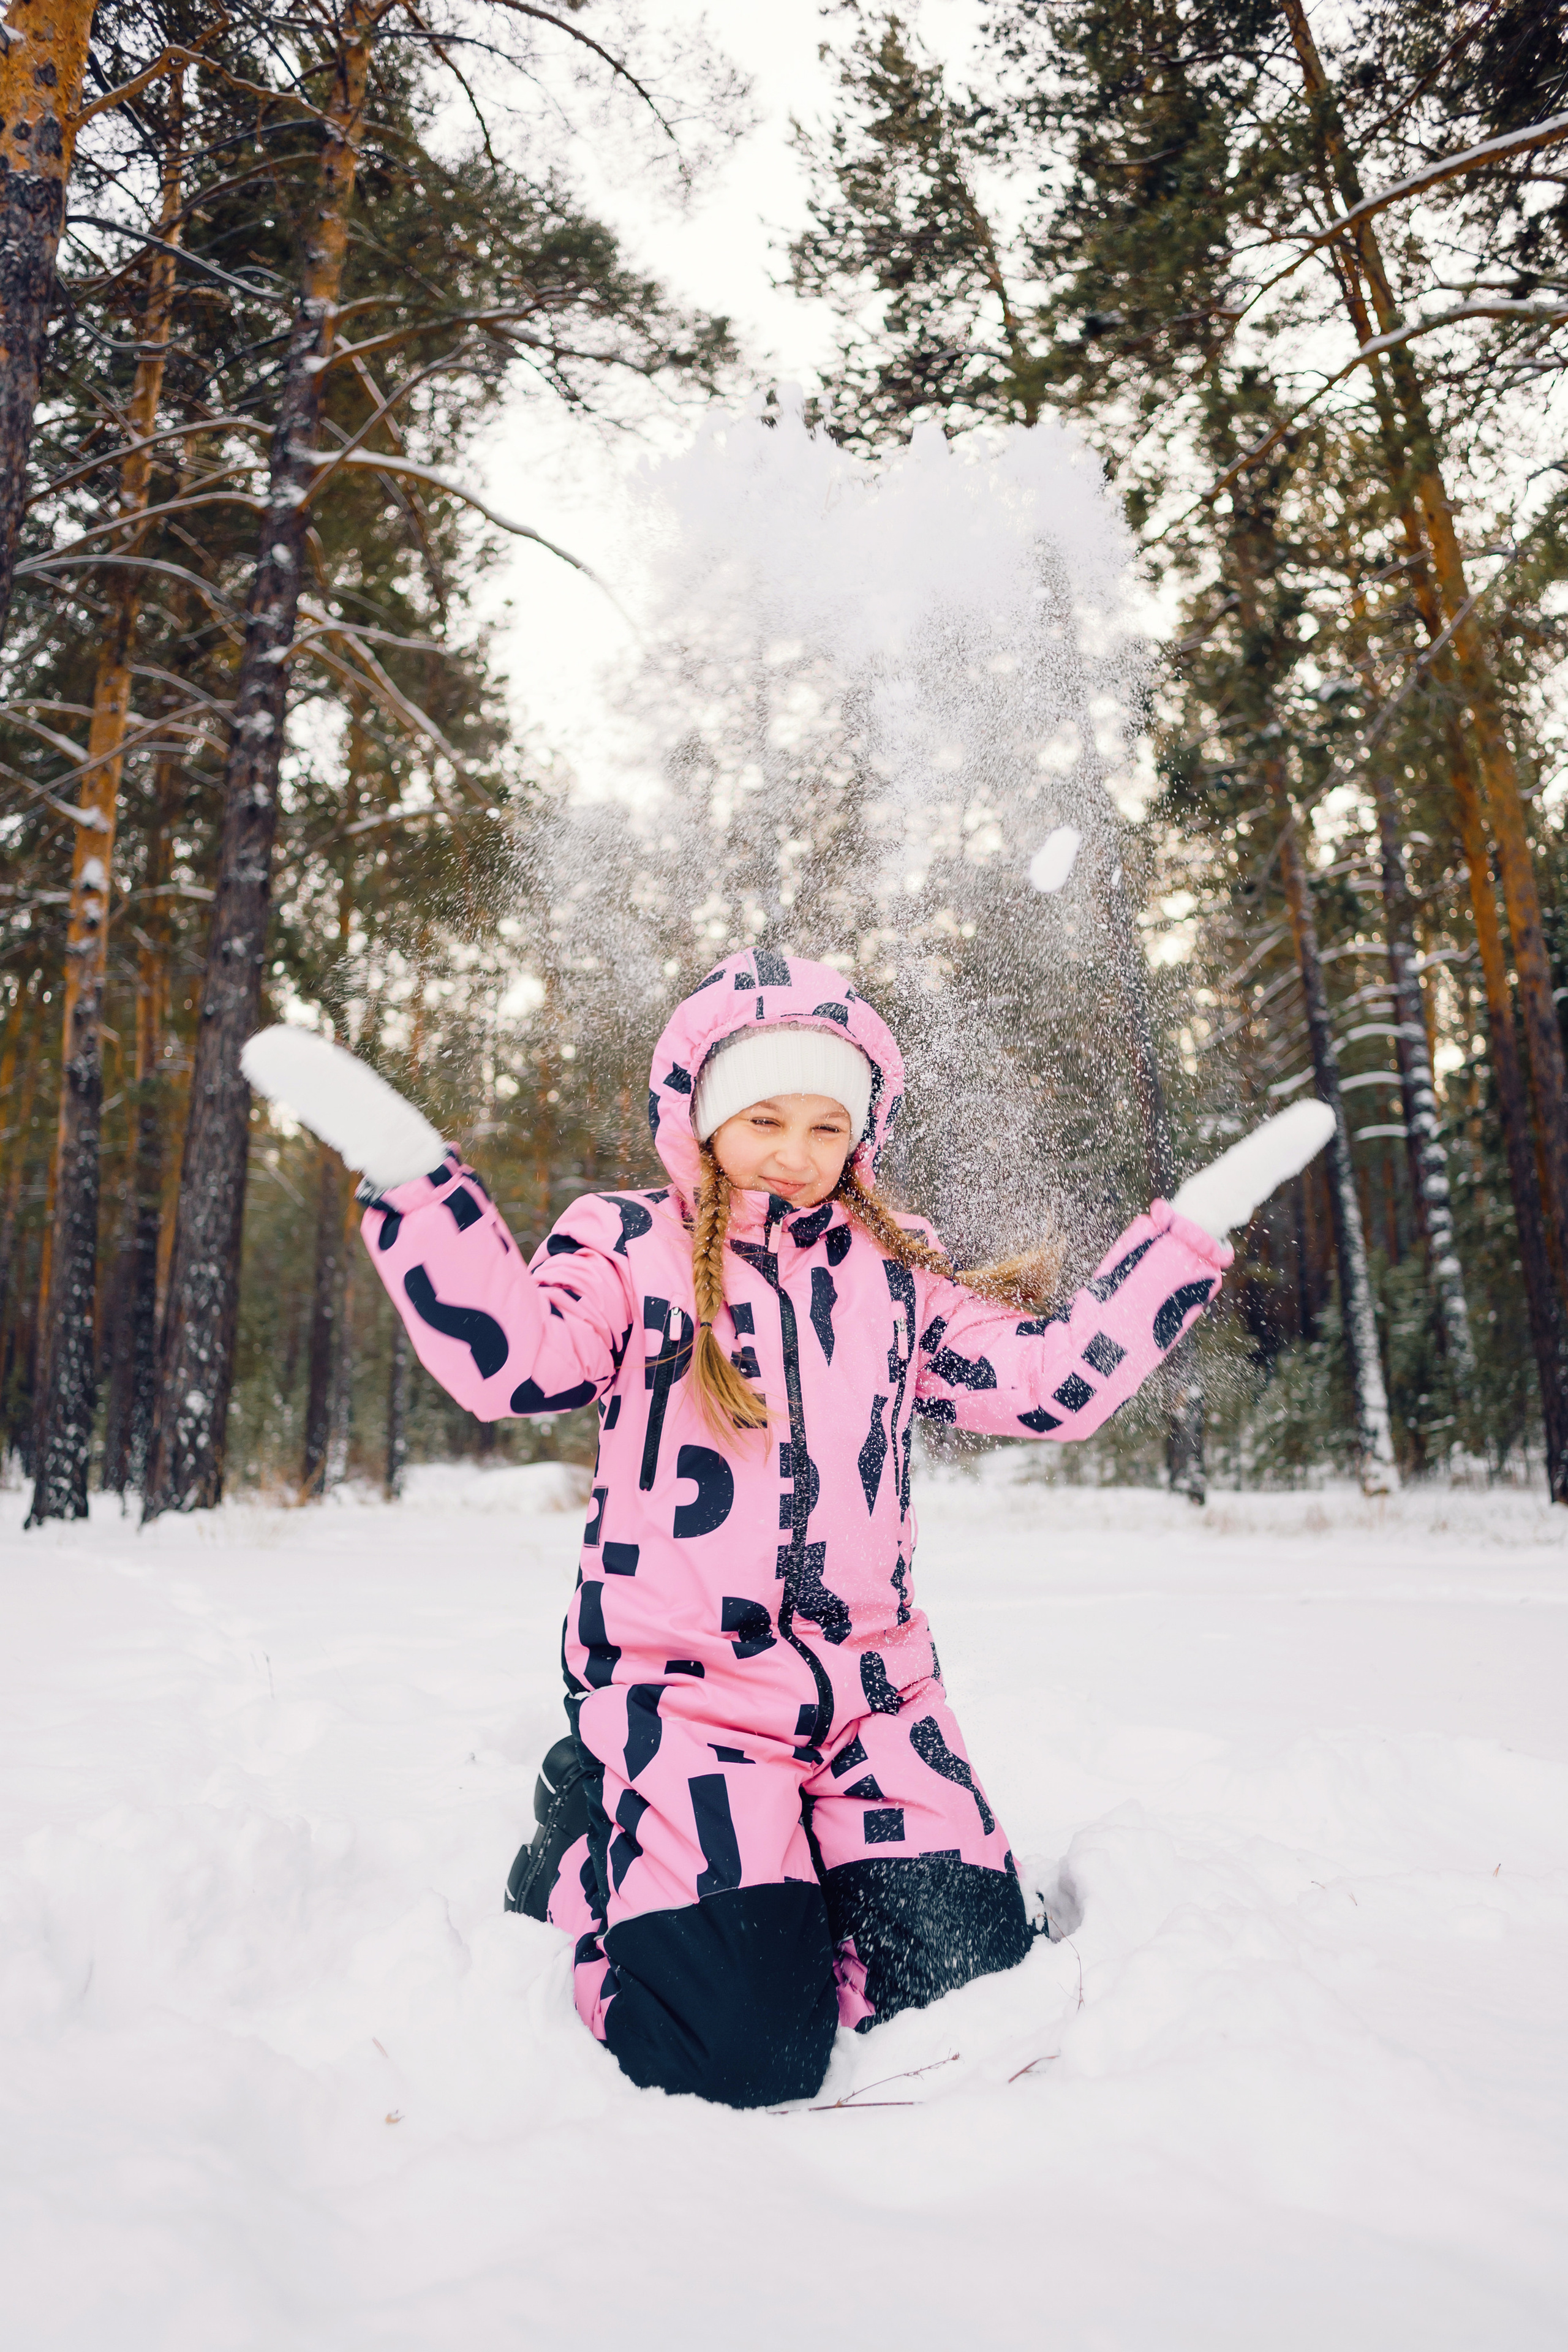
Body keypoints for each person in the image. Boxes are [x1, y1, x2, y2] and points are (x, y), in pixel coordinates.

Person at [243, 948, 1330, 2109]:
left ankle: (796, 1865)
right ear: (702, 1117)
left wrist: (1188, 1237)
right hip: (689, 1694)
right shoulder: (626, 1248)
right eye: (764, 1118)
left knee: (967, 1992)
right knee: (740, 2058)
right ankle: (591, 1829)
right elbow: (512, 1362)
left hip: (876, 1700)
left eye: (827, 1126)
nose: (797, 1155)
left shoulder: (896, 1273)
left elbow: (1058, 1385)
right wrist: (419, 1187)